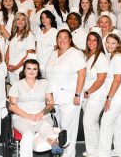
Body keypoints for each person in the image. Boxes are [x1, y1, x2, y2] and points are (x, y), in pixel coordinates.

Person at [9, 59, 64, 157]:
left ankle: (53, 142)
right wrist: (28, 116)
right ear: (24, 70)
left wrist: (41, 113)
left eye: (34, 69)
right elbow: (11, 106)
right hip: (22, 117)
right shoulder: (17, 84)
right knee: (28, 132)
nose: (31, 71)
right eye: (29, 68)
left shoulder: (45, 83)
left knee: (46, 127)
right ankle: (50, 140)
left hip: (41, 116)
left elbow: (50, 103)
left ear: (38, 71)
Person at [46, 29, 86, 157]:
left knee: (68, 129)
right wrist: (49, 95)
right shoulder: (54, 53)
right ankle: (61, 153)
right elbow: (48, 75)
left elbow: (82, 74)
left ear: (70, 40)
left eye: (65, 38)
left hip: (70, 98)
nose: (62, 41)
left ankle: (68, 154)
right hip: (54, 98)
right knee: (59, 129)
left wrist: (77, 95)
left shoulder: (75, 53)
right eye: (59, 38)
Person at [98, 32, 121, 157]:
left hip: (117, 97)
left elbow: (117, 80)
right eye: (107, 42)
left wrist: (109, 98)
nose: (109, 45)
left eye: (113, 43)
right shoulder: (116, 56)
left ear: (118, 44)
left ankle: (103, 153)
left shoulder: (118, 58)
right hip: (119, 96)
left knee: (105, 122)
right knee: (118, 123)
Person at [82, 31, 108, 157]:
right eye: (89, 40)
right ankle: (97, 150)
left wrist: (88, 91)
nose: (91, 43)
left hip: (96, 94)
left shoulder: (101, 57)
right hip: (87, 94)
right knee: (93, 123)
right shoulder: (87, 55)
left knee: (88, 122)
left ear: (99, 42)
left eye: (94, 40)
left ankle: (93, 153)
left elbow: (101, 79)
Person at [5, 12, 35, 83]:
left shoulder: (29, 35)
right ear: (15, 21)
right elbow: (8, 50)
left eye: (23, 20)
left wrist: (17, 67)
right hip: (11, 67)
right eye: (18, 19)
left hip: (21, 69)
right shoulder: (13, 34)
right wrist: (7, 64)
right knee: (14, 90)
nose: (20, 21)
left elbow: (29, 55)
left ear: (26, 22)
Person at [35, 10, 58, 76]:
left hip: (49, 63)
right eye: (42, 17)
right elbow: (36, 47)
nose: (44, 19)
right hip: (38, 63)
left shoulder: (54, 32)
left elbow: (56, 49)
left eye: (46, 17)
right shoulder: (39, 31)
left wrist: (53, 62)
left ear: (51, 19)